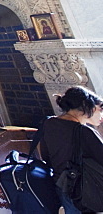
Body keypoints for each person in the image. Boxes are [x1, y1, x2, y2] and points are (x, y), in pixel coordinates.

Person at [39, 86, 103, 214]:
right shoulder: (84, 132)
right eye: (100, 109)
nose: (101, 115)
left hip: (62, 186)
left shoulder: (48, 123)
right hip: (86, 191)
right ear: (86, 106)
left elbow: (45, 156)